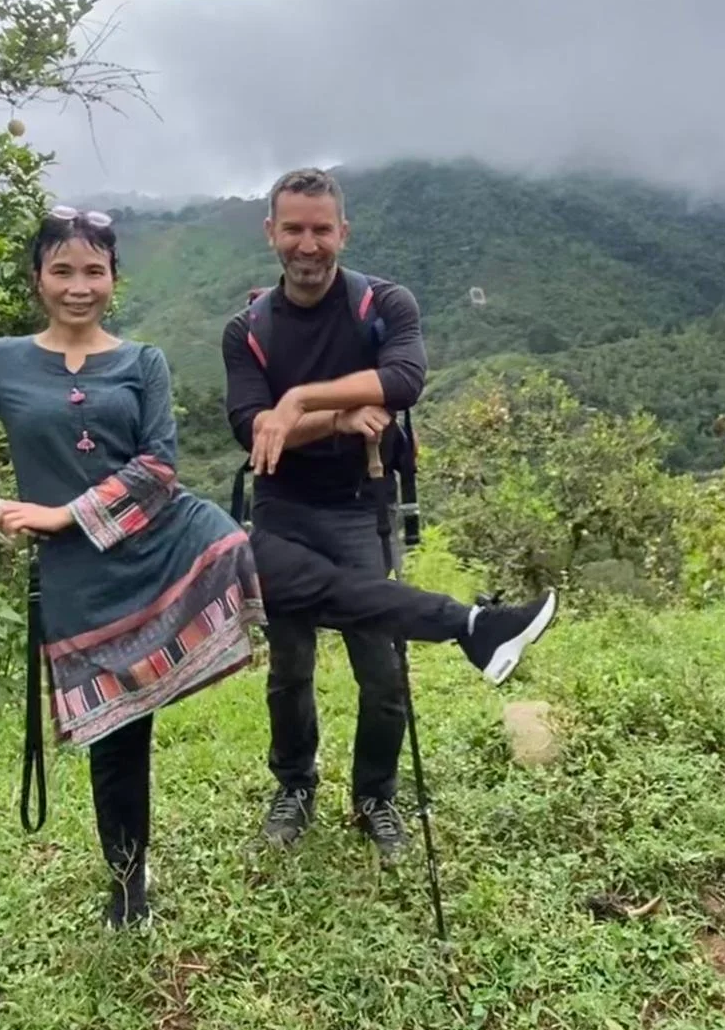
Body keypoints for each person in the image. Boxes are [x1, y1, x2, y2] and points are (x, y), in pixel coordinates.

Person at [0, 205, 556, 928]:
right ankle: (127, 889)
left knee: (329, 589)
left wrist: (59, 514)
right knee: (118, 734)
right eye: (63, 270)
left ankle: (474, 627)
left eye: (94, 271)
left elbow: (159, 470)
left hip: (174, 539)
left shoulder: (142, 361)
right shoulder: (2, 363)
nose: (80, 287)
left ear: (113, 279)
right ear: (39, 278)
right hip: (85, 576)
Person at [222, 166, 556, 865]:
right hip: (282, 506)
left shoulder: (383, 303)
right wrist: (338, 414)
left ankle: (376, 796)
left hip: (359, 506)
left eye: (321, 229)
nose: (307, 244)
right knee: (289, 666)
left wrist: (296, 404)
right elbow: (249, 431)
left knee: (382, 665)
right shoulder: (247, 330)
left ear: (343, 230)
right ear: (270, 234)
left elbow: (405, 381)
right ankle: (294, 786)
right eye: (293, 229)